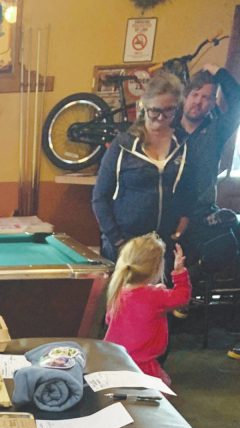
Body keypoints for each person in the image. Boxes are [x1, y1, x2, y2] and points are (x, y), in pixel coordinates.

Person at [92, 72, 196, 268]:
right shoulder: (123, 145)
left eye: (169, 110)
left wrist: (181, 226)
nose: (161, 117)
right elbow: (99, 197)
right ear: (144, 106)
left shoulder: (183, 144)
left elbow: (189, 190)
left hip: (162, 244)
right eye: (155, 110)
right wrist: (118, 241)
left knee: (161, 288)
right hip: (125, 243)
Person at [176, 65, 240, 356]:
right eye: (196, 95)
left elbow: (236, 102)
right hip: (170, 212)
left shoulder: (215, 130)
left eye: (207, 97)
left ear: (213, 103)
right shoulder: (169, 129)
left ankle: (185, 291)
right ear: (186, 96)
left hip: (201, 212)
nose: (199, 102)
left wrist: (221, 73)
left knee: (226, 245)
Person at [103, 233, 191, 384]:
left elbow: (109, 320)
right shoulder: (156, 296)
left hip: (114, 362)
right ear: (157, 268)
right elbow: (182, 297)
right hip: (142, 367)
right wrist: (179, 272)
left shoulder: (118, 291)